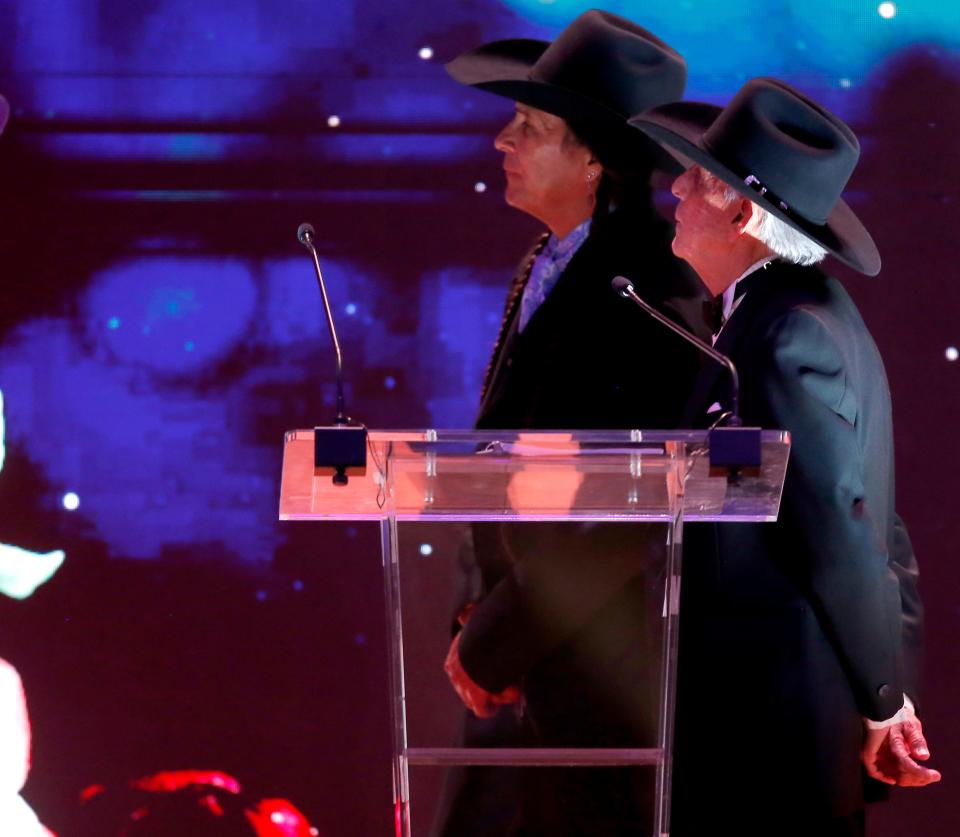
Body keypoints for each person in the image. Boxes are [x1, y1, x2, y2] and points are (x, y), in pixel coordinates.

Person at [629, 77, 939, 836]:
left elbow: (842, 527)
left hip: (773, 735)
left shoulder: (786, 334)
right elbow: (874, 529)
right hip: (775, 726)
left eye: (694, 178)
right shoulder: (783, 316)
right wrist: (886, 687)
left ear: (741, 211)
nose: (673, 189)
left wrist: (882, 695)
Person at [434, 10, 709, 835]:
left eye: (529, 126)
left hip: (603, 672)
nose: (501, 142)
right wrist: (479, 614)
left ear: (594, 159)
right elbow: (503, 453)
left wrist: (498, 635)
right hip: (531, 657)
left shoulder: (654, 282)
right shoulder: (554, 260)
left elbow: (627, 504)